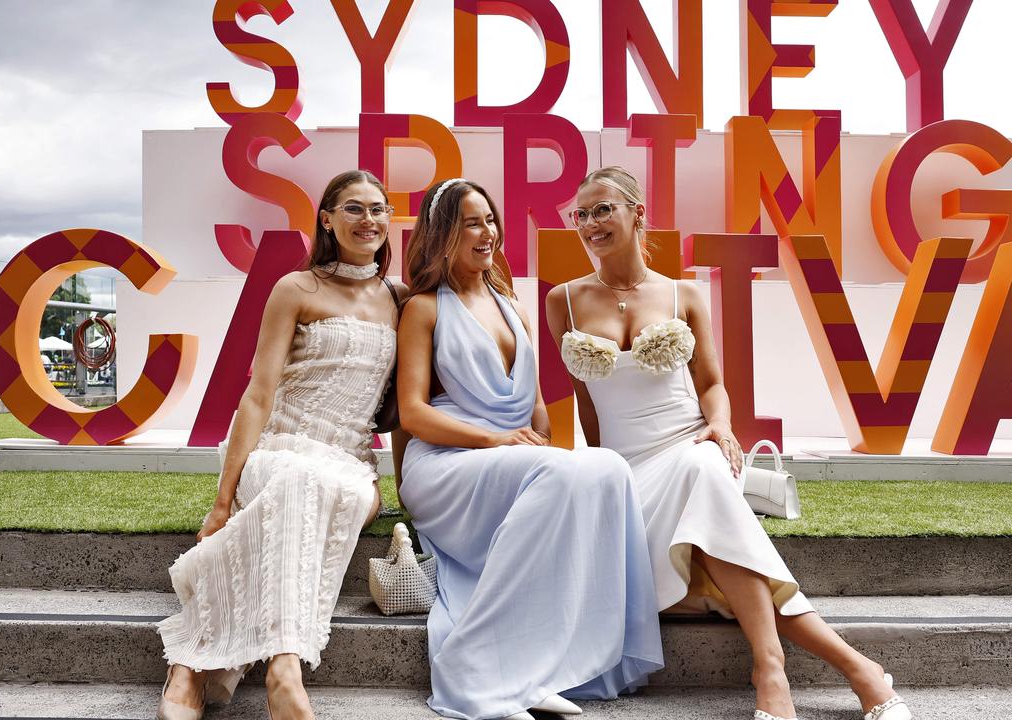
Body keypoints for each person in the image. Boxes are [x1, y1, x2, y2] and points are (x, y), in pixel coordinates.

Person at [545, 166, 912, 720]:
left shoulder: (683, 294)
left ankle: (771, 670)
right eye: (583, 214)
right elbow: (586, 401)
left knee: (703, 469)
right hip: (625, 470)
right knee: (715, 509)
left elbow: (712, 385)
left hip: (690, 443)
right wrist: (602, 475)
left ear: (637, 213)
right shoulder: (562, 302)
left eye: (604, 209)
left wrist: (720, 427)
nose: (591, 223)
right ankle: (860, 670)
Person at [397, 177, 664, 720]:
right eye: (471, 222)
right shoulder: (424, 308)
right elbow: (413, 414)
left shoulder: (512, 304)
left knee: (606, 469)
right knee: (560, 472)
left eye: (490, 219)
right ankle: (487, 672)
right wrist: (499, 439)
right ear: (442, 233)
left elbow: (536, 404)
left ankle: (536, 665)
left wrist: (548, 448)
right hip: (446, 468)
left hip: (514, 457)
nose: (487, 231)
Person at [156, 170, 405, 720]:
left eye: (379, 209)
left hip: (349, 466)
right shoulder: (296, 288)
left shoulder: (400, 298)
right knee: (293, 482)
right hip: (279, 447)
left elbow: (406, 403)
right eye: (355, 209)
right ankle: (284, 674)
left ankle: (189, 669)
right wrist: (223, 501)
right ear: (328, 218)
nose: (370, 220)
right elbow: (258, 395)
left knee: (306, 487)